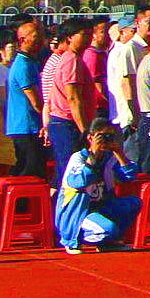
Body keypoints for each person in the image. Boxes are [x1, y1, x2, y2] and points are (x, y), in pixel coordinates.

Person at [55, 121, 139, 255]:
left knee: (133, 203)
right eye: (102, 136)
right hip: (78, 213)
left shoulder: (110, 159)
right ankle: (74, 239)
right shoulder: (78, 158)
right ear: (90, 137)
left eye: (110, 136)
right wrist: (93, 155)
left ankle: (108, 242)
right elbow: (78, 182)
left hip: (100, 207)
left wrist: (118, 152)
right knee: (109, 229)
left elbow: (130, 176)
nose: (106, 140)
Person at [108, 8, 150, 172]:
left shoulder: (149, 47)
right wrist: (134, 113)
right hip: (133, 115)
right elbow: (127, 82)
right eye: (149, 21)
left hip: (146, 111)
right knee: (133, 160)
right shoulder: (130, 48)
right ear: (138, 23)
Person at [41, 23, 88, 181]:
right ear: (69, 38)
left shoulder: (72, 58)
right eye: (84, 34)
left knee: (64, 171)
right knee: (70, 173)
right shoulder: (71, 60)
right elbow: (73, 98)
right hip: (66, 122)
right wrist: (84, 130)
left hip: (64, 122)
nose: (88, 38)